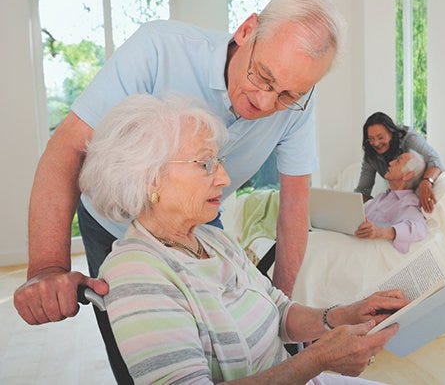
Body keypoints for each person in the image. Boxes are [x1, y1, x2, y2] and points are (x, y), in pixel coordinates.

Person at [14, 0, 345, 379]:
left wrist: (276, 319)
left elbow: (294, 206)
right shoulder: (159, 48)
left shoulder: (297, 102)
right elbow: (69, 147)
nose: (266, 102)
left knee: (234, 335)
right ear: (246, 31)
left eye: (288, 95)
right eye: (262, 76)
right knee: (144, 355)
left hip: (200, 218)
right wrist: (48, 268)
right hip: (111, 223)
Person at [79, 94, 409, 384]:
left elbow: (280, 312)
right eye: (206, 163)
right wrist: (318, 358)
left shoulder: (214, 240)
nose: (224, 178)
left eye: (219, 161)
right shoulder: (134, 274)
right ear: (151, 179)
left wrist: (346, 314)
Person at [354, 112, 445, 213]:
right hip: (398, 198)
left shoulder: (410, 139)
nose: (376, 143)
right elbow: (363, 190)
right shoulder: (370, 151)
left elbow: (435, 160)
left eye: (380, 138)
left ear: (391, 133)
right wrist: (352, 207)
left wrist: (426, 182)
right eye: (371, 139)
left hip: (423, 195)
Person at [355, 150, 428, 254]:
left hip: (368, 251)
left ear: (407, 175)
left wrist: (380, 232)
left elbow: (420, 228)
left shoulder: (409, 202)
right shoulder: (380, 197)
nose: (390, 163)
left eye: (398, 161)